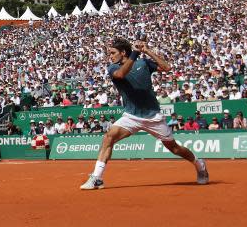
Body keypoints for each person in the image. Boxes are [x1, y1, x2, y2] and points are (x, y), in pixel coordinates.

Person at [80, 38, 208, 190]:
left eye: (113, 53)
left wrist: (147, 51)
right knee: (109, 137)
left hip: (153, 117)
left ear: (123, 52)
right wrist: (135, 53)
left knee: (174, 149)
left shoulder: (143, 63)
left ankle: (199, 164)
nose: (110, 56)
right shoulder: (113, 68)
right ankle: (97, 178)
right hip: (131, 116)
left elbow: (167, 68)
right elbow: (121, 74)